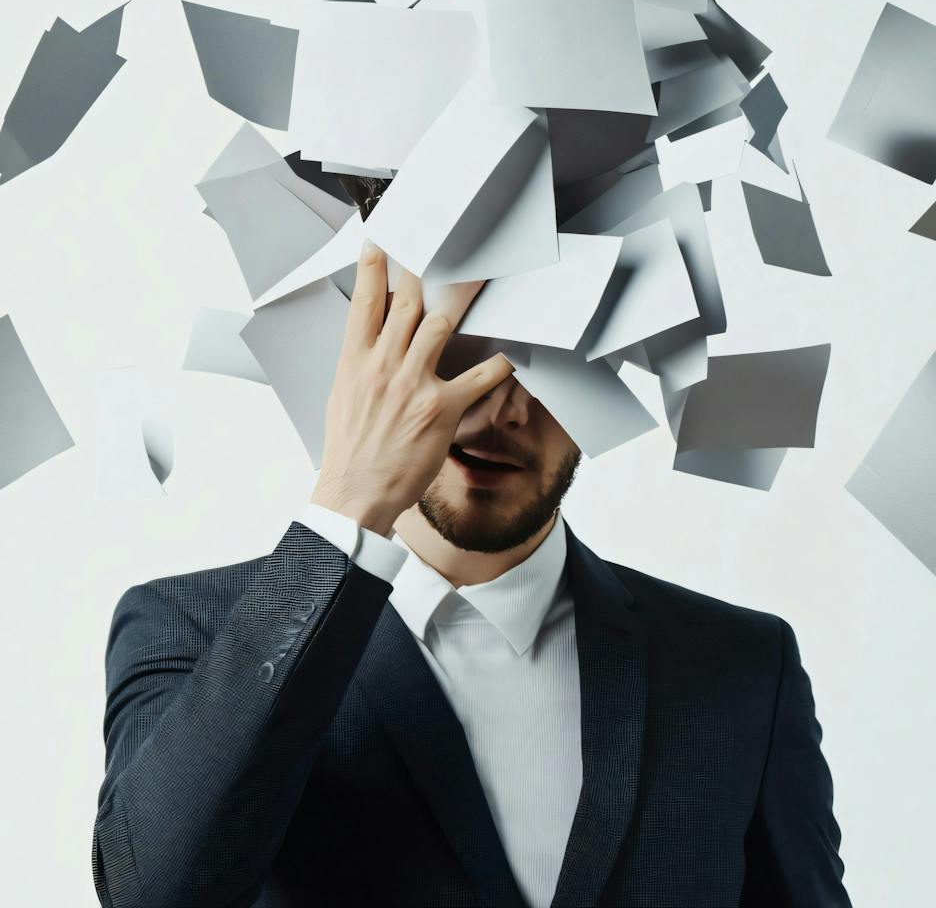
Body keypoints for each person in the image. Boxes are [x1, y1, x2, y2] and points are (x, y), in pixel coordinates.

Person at [92, 197, 853, 907]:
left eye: (553, 356)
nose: (503, 405)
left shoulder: (741, 666)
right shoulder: (189, 628)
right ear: (377, 356)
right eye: (464, 348)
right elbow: (155, 892)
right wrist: (349, 499)